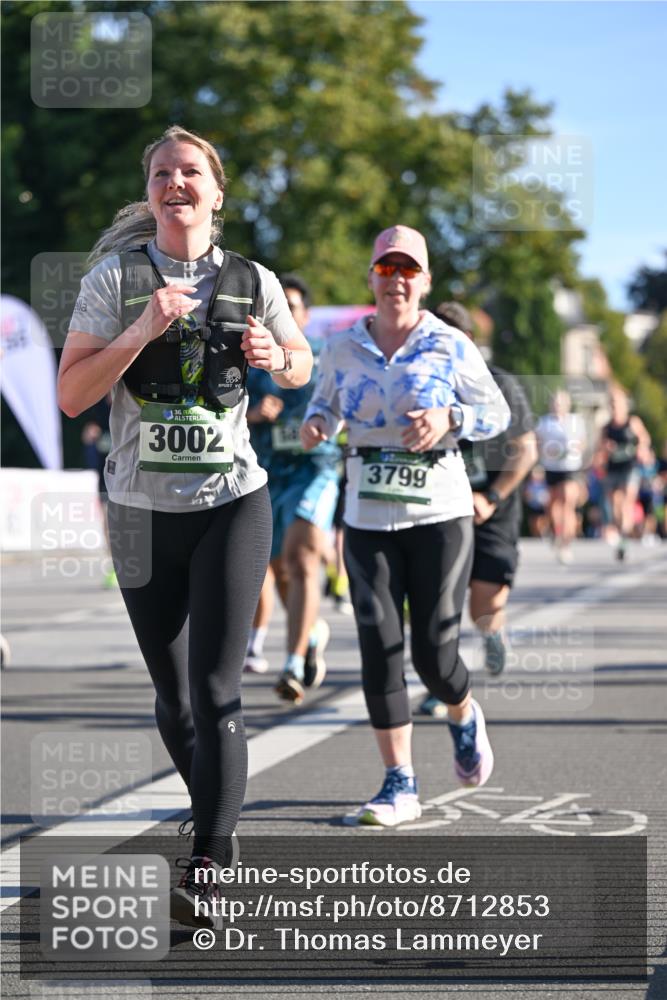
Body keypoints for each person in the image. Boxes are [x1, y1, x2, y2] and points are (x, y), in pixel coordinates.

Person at [57, 126, 312, 926]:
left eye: (191, 171)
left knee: (216, 691)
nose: (176, 182)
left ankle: (208, 856)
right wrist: (141, 331)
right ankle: (218, 819)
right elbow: (71, 396)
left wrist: (278, 354)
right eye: (163, 172)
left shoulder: (251, 278)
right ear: (150, 192)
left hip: (232, 502)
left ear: (215, 191)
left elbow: (304, 362)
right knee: (172, 698)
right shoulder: (115, 280)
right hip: (139, 513)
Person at [300, 225, 510, 827]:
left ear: (425, 281)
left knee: (434, 655)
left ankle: (463, 711)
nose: (397, 280)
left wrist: (450, 416)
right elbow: (323, 406)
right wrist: (318, 425)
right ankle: (399, 784)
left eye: (408, 270)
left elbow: (494, 413)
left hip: (439, 513)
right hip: (366, 513)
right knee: (378, 647)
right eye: (386, 270)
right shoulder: (341, 347)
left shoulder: (450, 344)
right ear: (371, 278)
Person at [419, 303, 537, 717]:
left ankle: (492, 633)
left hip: (493, 508)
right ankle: (443, 683)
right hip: (442, 507)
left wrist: (494, 498)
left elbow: (526, 450)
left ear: (468, 342)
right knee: (441, 600)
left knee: (482, 604)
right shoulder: (422, 385)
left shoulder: (501, 385)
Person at [243, 274, 341, 703]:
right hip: (267, 473)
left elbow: (348, 408)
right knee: (280, 570)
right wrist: (252, 413)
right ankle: (312, 632)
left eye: (294, 306)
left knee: (303, 555)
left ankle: (293, 663)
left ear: (305, 315)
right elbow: (221, 412)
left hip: (315, 469)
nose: (286, 313)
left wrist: (322, 425)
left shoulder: (324, 359)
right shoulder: (251, 358)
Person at [596, 386, 651, 561]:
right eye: (611, 404)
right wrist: (605, 449)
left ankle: (624, 540)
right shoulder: (606, 427)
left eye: (617, 403)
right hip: (613, 469)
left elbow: (644, 439)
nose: (614, 407)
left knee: (627, 502)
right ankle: (622, 535)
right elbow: (599, 451)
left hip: (630, 467)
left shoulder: (632, 422)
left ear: (624, 405)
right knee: (616, 508)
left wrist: (641, 449)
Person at [535, 390, 587, 564]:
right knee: (554, 505)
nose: (557, 406)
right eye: (555, 403)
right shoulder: (544, 422)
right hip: (551, 468)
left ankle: (566, 541)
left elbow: (582, 442)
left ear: (567, 404)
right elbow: (537, 444)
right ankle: (557, 533)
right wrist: (546, 452)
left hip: (570, 467)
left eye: (560, 403)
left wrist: (571, 448)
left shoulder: (575, 421)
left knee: (568, 501)